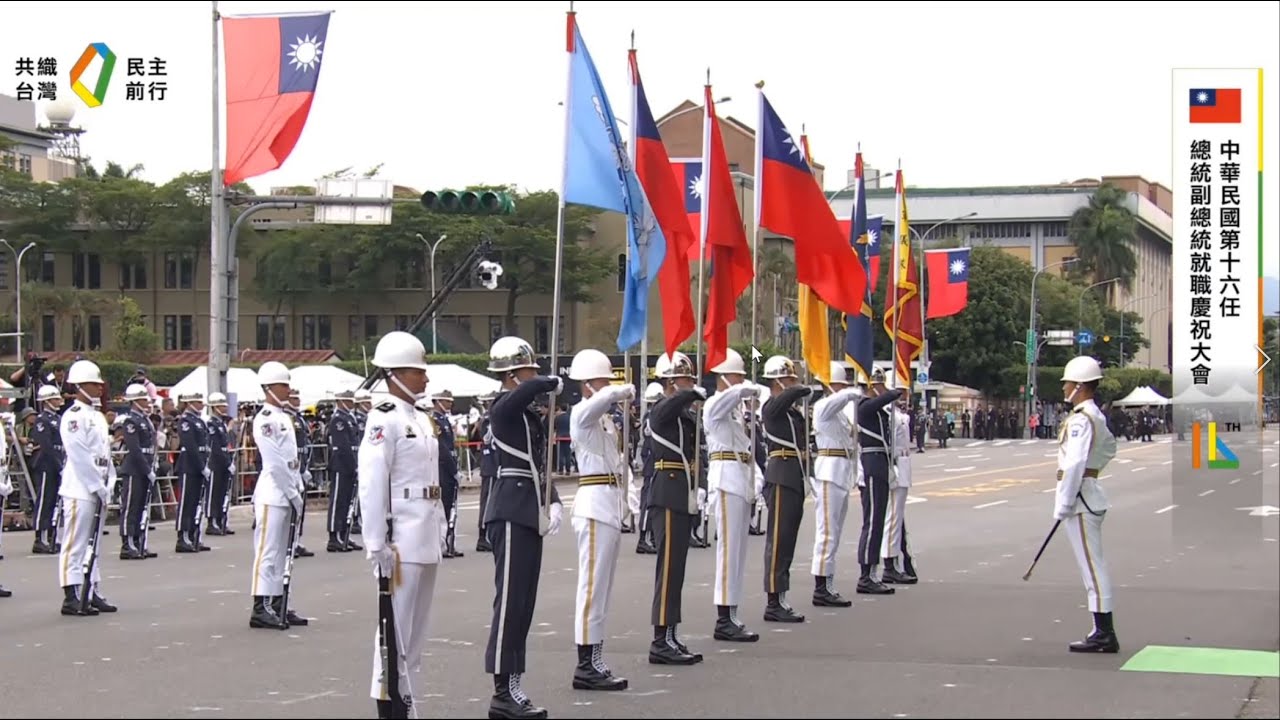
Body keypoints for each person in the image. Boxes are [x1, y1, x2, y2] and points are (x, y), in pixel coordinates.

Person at [359, 331, 447, 719]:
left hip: (425, 534)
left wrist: (442, 526)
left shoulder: (422, 419)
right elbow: (373, 481)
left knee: (415, 634)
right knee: (392, 633)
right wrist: (376, 542)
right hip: (400, 540)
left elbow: (433, 480)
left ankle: (407, 702)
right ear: (394, 374)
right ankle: (389, 706)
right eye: (417, 372)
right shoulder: (384, 420)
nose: (425, 379)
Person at [482, 336, 563, 720]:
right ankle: (503, 690)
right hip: (511, 509)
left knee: (524, 603)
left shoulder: (527, 414)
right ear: (514, 375)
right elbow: (523, 393)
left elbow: (540, 464)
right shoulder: (504, 406)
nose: (536, 373)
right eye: (530, 369)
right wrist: (546, 381)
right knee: (511, 602)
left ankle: (513, 685)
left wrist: (555, 502)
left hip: (529, 508)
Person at [565, 348, 634, 691]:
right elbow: (596, 404)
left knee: (602, 587)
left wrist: (628, 502)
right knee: (591, 587)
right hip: (592, 504)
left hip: (609, 502)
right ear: (588, 383)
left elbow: (620, 464)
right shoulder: (582, 413)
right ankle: (585, 663)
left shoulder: (605, 420)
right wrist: (615, 391)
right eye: (603, 379)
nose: (608, 384)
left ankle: (596, 658)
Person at [1054, 355, 1118, 653]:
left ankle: (1104, 632)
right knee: (1093, 566)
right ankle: (1100, 629)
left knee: (1092, 568)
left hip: (1081, 499)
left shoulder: (1082, 419)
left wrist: (1064, 502)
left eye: (1067, 383)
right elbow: (1109, 449)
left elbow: (1075, 462)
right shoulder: (1095, 416)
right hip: (1088, 491)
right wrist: (1095, 470)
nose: (1064, 387)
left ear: (1079, 386)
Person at [645, 352, 706, 665]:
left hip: (683, 492)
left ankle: (670, 633)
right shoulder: (662, 409)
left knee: (677, 569)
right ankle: (660, 639)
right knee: (668, 570)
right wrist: (688, 394)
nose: (691, 384)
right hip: (667, 492)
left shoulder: (686, 416)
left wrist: (700, 486)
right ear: (670, 382)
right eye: (685, 379)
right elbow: (667, 407)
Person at [701, 348, 762, 641]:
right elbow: (726, 401)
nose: (741, 380)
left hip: (740, 477)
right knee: (728, 551)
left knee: (739, 551)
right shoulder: (715, 404)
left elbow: (747, 450)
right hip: (725, 480)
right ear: (724, 377)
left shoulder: (736, 411)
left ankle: (732, 612)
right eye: (737, 375)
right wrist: (742, 390)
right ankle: (724, 616)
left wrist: (756, 481)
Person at [248, 361, 307, 631]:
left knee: (285, 551)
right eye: (283, 385)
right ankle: (261, 606)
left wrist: (298, 487)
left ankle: (279, 600)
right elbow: (273, 463)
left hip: (289, 488)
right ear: (270, 388)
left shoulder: (284, 416)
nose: (288, 389)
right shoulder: (265, 420)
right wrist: (292, 492)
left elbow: (291, 460)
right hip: (274, 492)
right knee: (268, 551)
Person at [57, 359, 118, 616]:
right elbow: (79, 456)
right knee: (75, 542)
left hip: (98, 486)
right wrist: (96, 485)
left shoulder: (96, 416)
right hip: (80, 488)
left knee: (94, 544)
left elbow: (104, 454)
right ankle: (71, 593)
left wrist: (109, 482)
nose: (100, 387)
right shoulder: (73, 417)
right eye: (95, 383)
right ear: (81, 385)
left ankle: (90, 590)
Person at [759, 355, 816, 622]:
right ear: (778, 382)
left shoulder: (793, 413)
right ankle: (774, 599)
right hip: (780, 475)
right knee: (778, 540)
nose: (794, 383)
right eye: (789, 379)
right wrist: (798, 388)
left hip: (795, 475)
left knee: (789, 540)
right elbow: (790, 395)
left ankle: (781, 597)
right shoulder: (772, 407)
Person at [810, 361, 862, 607]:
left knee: (836, 532)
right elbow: (837, 401)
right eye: (840, 384)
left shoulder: (840, 411)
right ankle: (821, 585)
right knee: (827, 531)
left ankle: (828, 581)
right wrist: (848, 393)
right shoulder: (824, 406)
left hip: (841, 470)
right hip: (829, 470)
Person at [856, 368, 903, 594]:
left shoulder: (878, 410)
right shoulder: (864, 406)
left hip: (881, 464)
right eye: (878, 384)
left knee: (878, 521)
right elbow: (883, 399)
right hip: (872, 464)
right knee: (873, 521)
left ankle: (872, 572)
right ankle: (866, 574)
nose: (882, 388)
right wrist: (892, 392)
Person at [117, 384, 156, 560]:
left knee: (141, 507)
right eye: (142, 399)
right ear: (134, 401)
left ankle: (139, 542)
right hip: (134, 468)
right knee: (130, 507)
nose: (146, 402)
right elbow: (134, 448)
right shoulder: (130, 421)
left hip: (146, 465)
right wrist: (147, 469)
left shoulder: (145, 420)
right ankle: (128, 543)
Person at [29, 385, 64, 555]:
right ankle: (40, 538)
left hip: (57, 463)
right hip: (46, 464)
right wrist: (59, 465)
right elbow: (46, 446)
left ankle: (51, 536)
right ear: (47, 401)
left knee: (54, 502)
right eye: (55, 398)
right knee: (44, 500)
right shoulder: (42, 420)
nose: (59, 401)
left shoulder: (58, 418)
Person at [327, 389, 361, 553]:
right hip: (341, 464)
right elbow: (343, 446)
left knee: (347, 501)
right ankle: (334, 536)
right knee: (338, 501)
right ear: (340, 401)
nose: (351, 404)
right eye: (348, 401)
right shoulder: (338, 420)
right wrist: (353, 465)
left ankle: (344, 534)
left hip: (352, 462)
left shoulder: (349, 418)